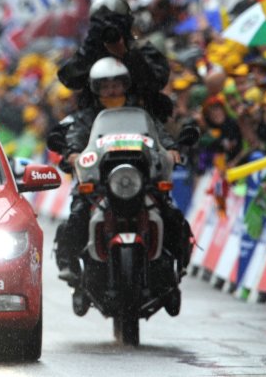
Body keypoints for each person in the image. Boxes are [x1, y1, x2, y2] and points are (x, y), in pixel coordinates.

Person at [54, 57, 182, 283]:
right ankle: (69, 263)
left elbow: (159, 135)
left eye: (116, 84)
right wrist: (73, 154)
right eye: (105, 86)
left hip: (139, 179)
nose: (111, 90)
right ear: (96, 89)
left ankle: (177, 261)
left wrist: (171, 149)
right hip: (100, 182)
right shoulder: (87, 116)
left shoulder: (140, 112)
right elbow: (74, 138)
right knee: (77, 214)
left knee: (171, 213)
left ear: (125, 85)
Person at [57, 0, 172, 124]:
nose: (110, 31)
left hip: (142, 121)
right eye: (102, 25)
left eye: (115, 24)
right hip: (97, 124)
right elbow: (68, 79)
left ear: (127, 24)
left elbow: (158, 81)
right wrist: (91, 47)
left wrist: (127, 55)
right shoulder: (90, 51)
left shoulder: (141, 48)